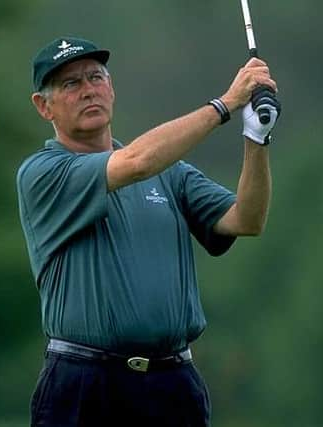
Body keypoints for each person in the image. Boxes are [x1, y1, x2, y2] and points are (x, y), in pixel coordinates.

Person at [16, 36, 281, 427]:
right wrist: (223, 106)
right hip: (84, 383)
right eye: (70, 84)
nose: (88, 90)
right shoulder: (43, 173)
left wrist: (256, 138)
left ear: (111, 88)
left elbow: (247, 219)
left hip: (172, 384)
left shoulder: (169, 173)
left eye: (95, 77)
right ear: (44, 106)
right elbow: (135, 162)